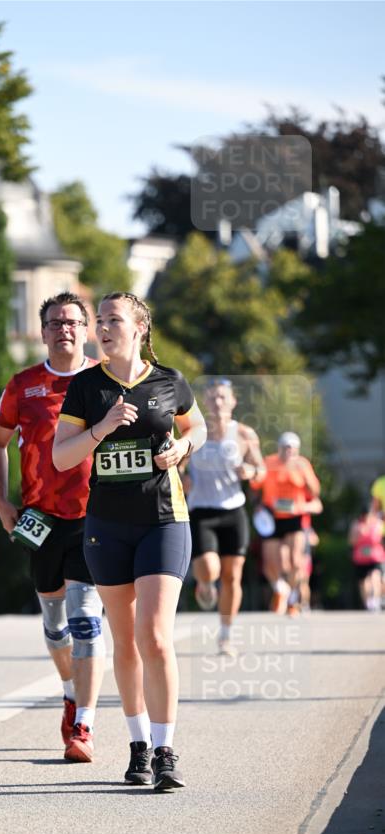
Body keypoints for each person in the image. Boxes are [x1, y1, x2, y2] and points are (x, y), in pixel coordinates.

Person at [53, 292, 206, 792]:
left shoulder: (168, 381)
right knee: (125, 641)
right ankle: (137, 745)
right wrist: (101, 428)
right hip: (106, 526)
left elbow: (196, 425)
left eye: (113, 319)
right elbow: (60, 457)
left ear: (139, 327)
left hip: (163, 520)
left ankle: (166, 750)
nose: (103, 327)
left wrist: (183, 446)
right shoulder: (85, 387)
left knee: (155, 636)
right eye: (99, 320)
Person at [0, 292, 105, 763]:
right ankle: (71, 690)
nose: (65, 330)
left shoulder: (104, 380)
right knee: (56, 629)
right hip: (41, 520)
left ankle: (85, 726)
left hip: (95, 518)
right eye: (55, 323)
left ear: (86, 329)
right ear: (43, 331)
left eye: (73, 322)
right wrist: (2, 502)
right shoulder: (23, 386)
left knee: (85, 619)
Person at [184, 378, 265, 657]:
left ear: (232, 402)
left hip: (233, 511)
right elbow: (178, 464)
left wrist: (251, 473)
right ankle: (205, 584)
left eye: (223, 398)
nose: (217, 403)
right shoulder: (195, 433)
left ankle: (226, 635)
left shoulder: (244, 434)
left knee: (233, 576)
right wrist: (182, 478)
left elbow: (261, 469)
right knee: (209, 568)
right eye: (212, 398)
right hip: (202, 511)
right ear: (204, 402)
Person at [251, 432, 322, 616]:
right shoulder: (269, 462)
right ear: (279, 448)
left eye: (292, 448)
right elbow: (255, 486)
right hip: (272, 517)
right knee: (270, 563)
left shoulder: (302, 464)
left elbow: (315, 491)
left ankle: (292, 600)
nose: (288, 451)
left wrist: (306, 477)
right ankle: (281, 588)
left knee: (296, 562)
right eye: (285, 447)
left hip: (295, 517)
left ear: (297, 450)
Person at [348, 507, 384, 611]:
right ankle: (367, 602)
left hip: (375, 556)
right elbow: (351, 541)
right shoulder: (357, 525)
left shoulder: (378, 524)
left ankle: (376, 599)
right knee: (363, 581)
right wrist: (359, 534)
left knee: (375, 577)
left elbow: (381, 538)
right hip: (361, 557)